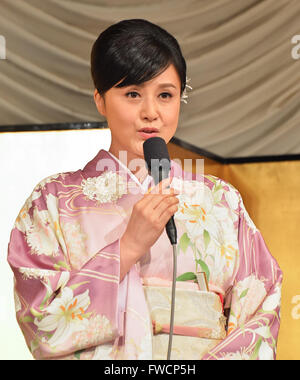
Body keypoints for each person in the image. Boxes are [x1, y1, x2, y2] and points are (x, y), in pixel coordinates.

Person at [7, 19, 282, 360]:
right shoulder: (53, 201)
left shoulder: (221, 201)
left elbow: (261, 306)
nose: (150, 112)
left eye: (165, 95)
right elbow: (41, 322)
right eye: (133, 94)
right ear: (100, 100)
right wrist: (128, 247)